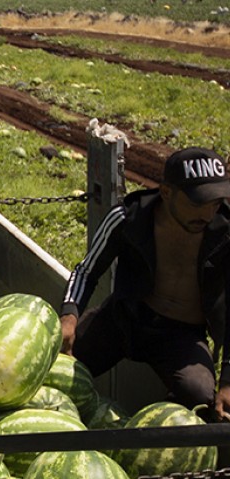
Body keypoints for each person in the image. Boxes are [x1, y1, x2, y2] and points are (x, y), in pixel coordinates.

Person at [60, 146, 230, 419]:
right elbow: (86, 271)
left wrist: (228, 380)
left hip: (182, 336)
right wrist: (69, 316)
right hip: (124, 318)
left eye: (216, 202)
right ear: (166, 192)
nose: (209, 214)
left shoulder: (225, 234)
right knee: (59, 368)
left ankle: (157, 439)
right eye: (198, 203)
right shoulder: (128, 217)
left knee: (198, 395)